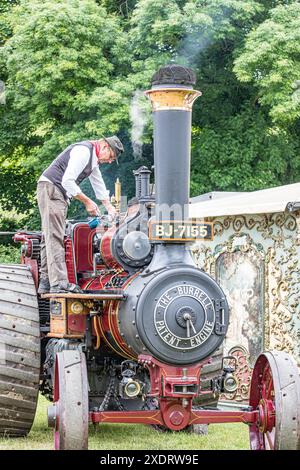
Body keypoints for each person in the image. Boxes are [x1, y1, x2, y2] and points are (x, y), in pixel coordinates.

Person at [37, 136, 124, 294]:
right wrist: (87, 202)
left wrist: (109, 207)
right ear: (104, 146)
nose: (110, 161)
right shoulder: (84, 152)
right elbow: (67, 181)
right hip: (52, 189)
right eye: (111, 156)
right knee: (55, 237)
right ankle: (60, 283)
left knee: (49, 236)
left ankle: (46, 281)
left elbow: (98, 184)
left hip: (54, 191)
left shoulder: (93, 159)